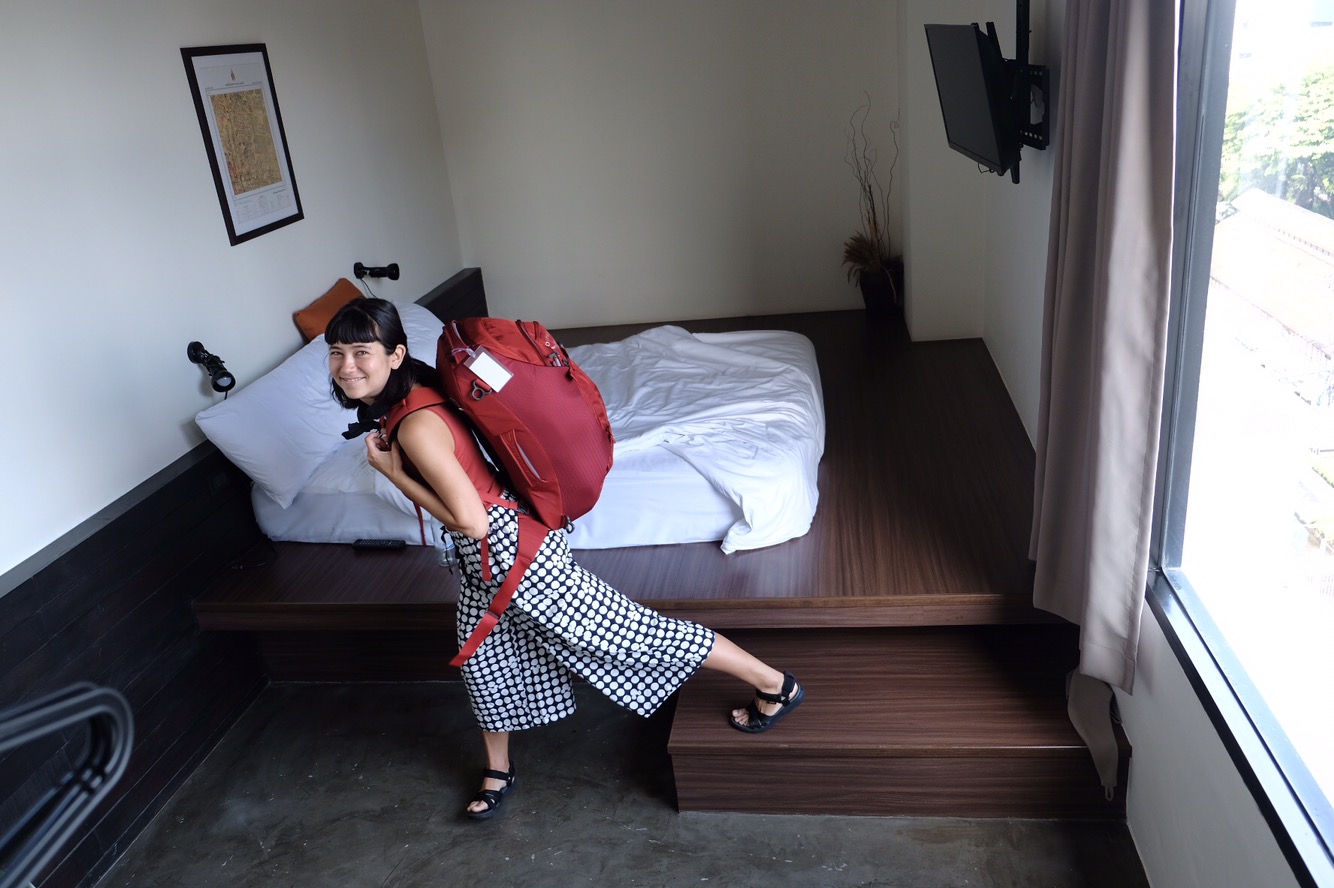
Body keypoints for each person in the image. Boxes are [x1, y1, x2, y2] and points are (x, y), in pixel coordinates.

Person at [324, 298, 804, 820]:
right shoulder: (419, 387)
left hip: (513, 554)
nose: (347, 366)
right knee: (482, 660)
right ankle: (498, 768)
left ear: (395, 355)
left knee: (634, 633)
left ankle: (775, 684)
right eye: (336, 352)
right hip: (489, 556)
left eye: (361, 352)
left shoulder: (415, 425)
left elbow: (471, 520)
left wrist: (394, 474)